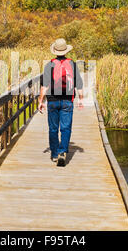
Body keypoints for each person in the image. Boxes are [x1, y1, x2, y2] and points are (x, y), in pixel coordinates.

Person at [37, 38, 84, 167]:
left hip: (52, 101)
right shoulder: (72, 64)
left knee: (53, 128)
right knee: (65, 128)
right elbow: (79, 84)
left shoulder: (49, 65)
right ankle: (62, 151)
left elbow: (44, 86)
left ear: (55, 51)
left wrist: (41, 101)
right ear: (66, 51)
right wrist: (81, 99)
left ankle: (54, 154)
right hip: (67, 101)